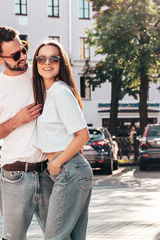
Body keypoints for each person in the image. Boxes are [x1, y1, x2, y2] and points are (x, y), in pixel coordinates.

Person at [0, 26, 53, 240]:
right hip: (15, 176)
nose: (24, 56)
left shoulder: (39, 74)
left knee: (61, 236)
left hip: (50, 171)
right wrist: (17, 120)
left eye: (24, 48)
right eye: (16, 54)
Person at [32, 40, 94, 240]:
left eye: (53, 58)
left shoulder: (60, 91)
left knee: (54, 237)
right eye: (42, 58)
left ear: (61, 64)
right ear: (36, 62)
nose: (47, 62)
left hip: (68, 169)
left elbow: (83, 135)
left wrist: (56, 163)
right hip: (69, 170)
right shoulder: (50, 93)